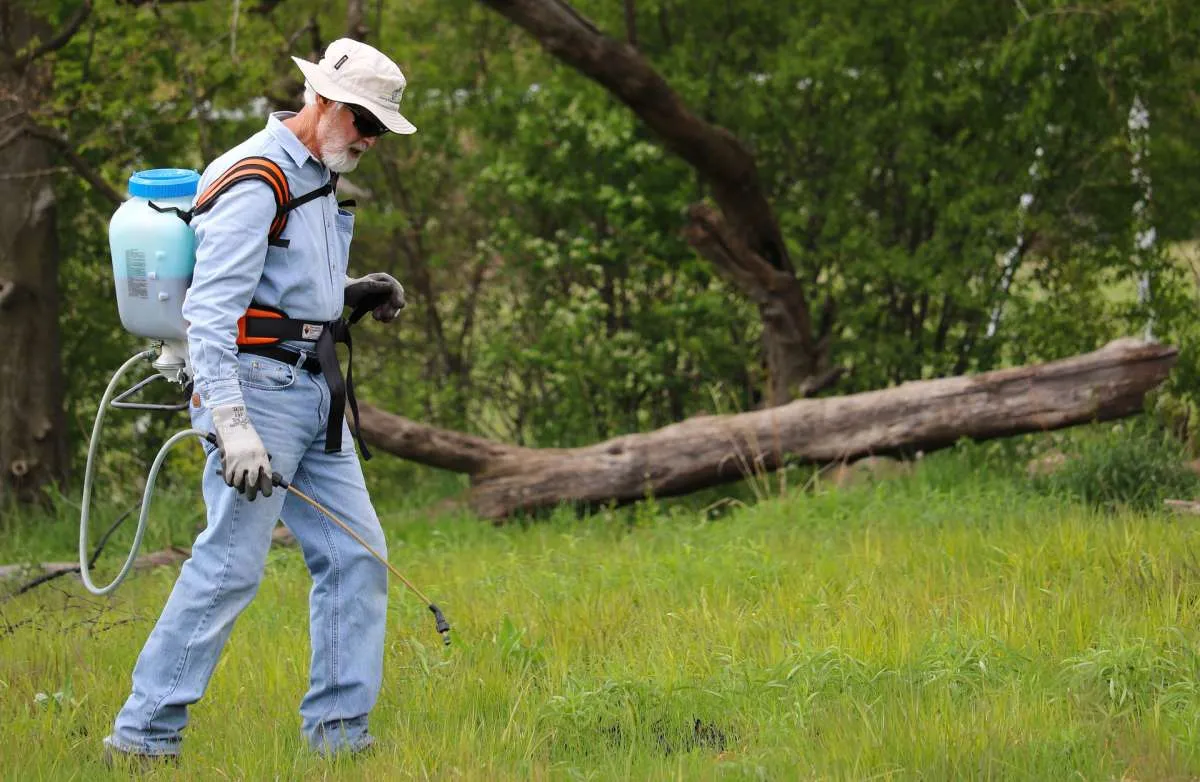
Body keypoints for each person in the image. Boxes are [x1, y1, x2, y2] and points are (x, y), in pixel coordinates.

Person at [103, 38, 414, 762]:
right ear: (325, 101)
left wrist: (352, 293)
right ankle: (142, 739)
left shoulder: (317, 174)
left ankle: (341, 741)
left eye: (378, 130)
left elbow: (286, 291)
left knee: (357, 558)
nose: (368, 141)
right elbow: (210, 317)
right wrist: (234, 426)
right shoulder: (256, 177)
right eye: (362, 122)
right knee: (230, 567)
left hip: (313, 387)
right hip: (258, 396)